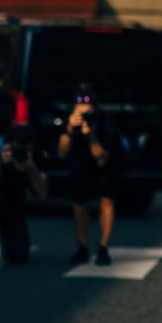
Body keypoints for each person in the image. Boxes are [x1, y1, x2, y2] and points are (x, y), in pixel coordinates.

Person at [58, 82, 123, 266]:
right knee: (79, 202)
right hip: (80, 164)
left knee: (107, 200)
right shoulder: (71, 119)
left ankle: (103, 247)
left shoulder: (105, 121)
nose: (85, 108)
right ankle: (82, 245)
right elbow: (61, 153)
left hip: (105, 164)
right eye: (80, 103)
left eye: (88, 103)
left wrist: (91, 135)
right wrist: (69, 131)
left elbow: (102, 159)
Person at [0, 124, 48, 265]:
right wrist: (0, 165)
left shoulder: (34, 154)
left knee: (18, 256)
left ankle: (9, 242)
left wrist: (31, 168)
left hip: (15, 201)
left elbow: (42, 193)